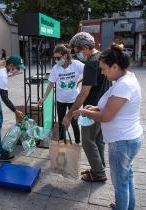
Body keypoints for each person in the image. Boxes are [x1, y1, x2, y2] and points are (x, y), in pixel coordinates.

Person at [72, 44, 143, 210]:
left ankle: (122, 206)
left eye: (104, 69)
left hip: (122, 142)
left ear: (115, 66)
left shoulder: (123, 85)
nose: (102, 72)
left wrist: (84, 111)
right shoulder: (125, 79)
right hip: (128, 138)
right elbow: (111, 106)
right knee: (127, 177)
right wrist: (94, 108)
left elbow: (106, 116)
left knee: (121, 184)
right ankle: (127, 206)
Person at [62, 32, 111, 182]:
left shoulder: (90, 63)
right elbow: (97, 77)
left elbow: (84, 93)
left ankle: (98, 173)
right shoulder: (102, 57)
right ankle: (98, 167)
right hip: (103, 106)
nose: (77, 55)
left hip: (91, 109)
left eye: (77, 51)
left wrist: (69, 114)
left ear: (85, 47)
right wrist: (83, 80)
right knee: (98, 140)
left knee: (88, 141)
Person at [38, 44, 84, 144]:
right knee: (61, 123)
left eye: (58, 57)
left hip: (74, 100)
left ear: (65, 56)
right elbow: (51, 83)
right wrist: (44, 97)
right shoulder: (56, 68)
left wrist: (80, 81)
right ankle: (62, 143)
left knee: (74, 122)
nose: (56, 60)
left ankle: (77, 143)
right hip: (61, 100)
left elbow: (90, 71)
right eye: (54, 58)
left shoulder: (76, 64)